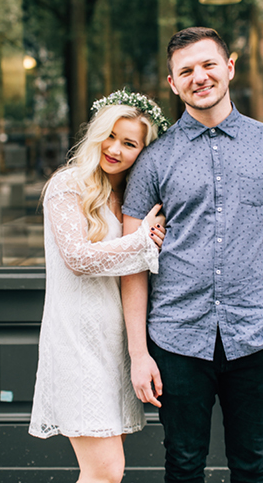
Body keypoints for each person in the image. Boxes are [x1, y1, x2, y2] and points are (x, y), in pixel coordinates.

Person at [120, 27, 263, 483]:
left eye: (207, 65)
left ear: (229, 67)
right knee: (183, 466)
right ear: (172, 83)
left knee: (252, 465)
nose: (198, 77)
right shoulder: (154, 160)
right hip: (177, 337)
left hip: (257, 335)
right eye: (185, 71)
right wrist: (139, 353)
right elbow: (132, 261)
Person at [29, 90, 170, 482]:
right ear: (96, 135)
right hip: (76, 342)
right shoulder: (68, 185)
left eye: (129, 143)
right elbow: (77, 258)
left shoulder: (128, 197)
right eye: (110, 136)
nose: (115, 149)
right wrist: (142, 241)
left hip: (114, 346)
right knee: (106, 471)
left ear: (142, 151)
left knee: (104, 472)